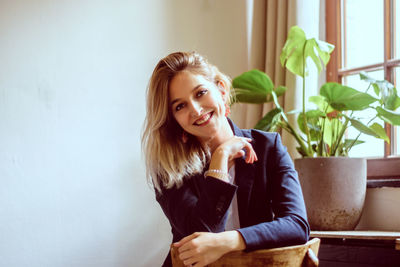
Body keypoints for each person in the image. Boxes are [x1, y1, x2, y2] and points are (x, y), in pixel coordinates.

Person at [142, 51, 309, 267]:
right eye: (180, 106)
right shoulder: (169, 169)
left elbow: (297, 225)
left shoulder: (269, 147)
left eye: (200, 93)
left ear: (221, 90)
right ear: (174, 120)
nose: (195, 109)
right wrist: (220, 159)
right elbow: (202, 232)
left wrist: (230, 241)